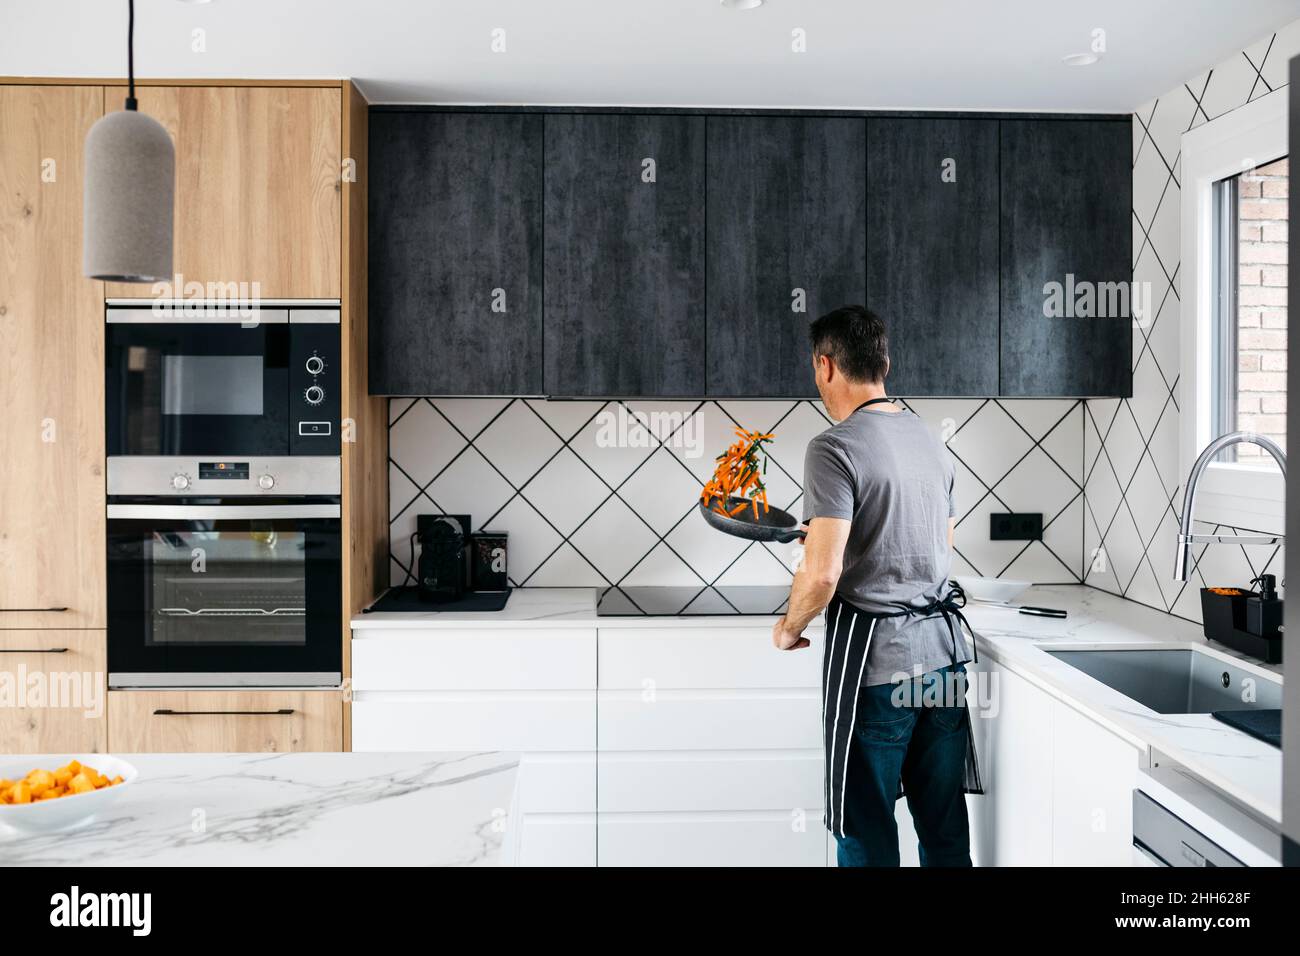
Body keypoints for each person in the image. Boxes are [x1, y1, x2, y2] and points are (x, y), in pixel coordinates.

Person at [771, 305, 977, 867]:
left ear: (825, 365)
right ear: (884, 362)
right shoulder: (931, 442)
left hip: (878, 669)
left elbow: (822, 575)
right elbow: (939, 545)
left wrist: (789, 628)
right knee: (943, 825)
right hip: (944, 664)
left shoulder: (832, 447)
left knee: (864, 827)